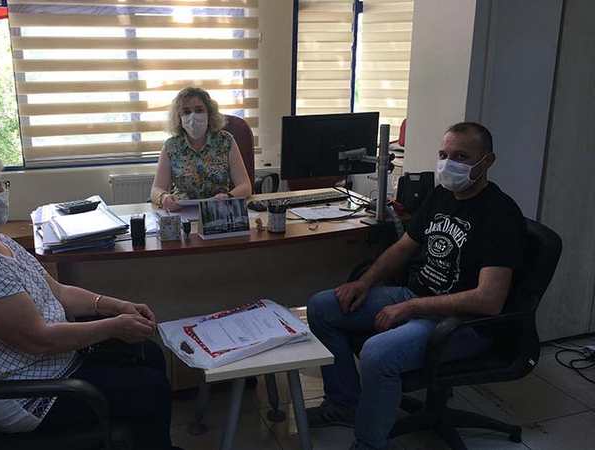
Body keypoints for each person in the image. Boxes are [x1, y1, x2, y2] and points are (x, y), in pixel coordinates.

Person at [0, 146, 179, 450]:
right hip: (28, 396)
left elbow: (58, 292)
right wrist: (114, 326)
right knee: (149, 389)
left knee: (147, 353)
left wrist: (116, 306)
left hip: (54, 364)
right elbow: (39, 339)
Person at [305, 122, 525, 450]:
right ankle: (344, 404)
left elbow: (488, 300)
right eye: (444, 155)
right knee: (323, 307)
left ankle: (369, 444)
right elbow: (404, 247)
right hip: (416, 297)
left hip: (461, 323)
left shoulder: (500, 215)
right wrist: (364, 283)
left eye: (461, 157)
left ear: (487, 161)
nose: (449, 164)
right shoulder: (441, 195)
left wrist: (409, 308)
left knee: (377, 354)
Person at [150, 87, 252, 210]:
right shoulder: (171, 146)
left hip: (218, 211)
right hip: (182, 212)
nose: (193, 116)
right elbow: (156, 189)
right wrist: (164, 198)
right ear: (179, 117)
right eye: (186, 112)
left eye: (199, 110)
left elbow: (245, 186)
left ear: (209, 113)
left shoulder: (225, 141)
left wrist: (228, 196)